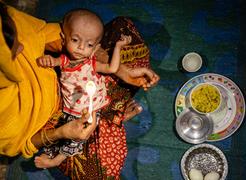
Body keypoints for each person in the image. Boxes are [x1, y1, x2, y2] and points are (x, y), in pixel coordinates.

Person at [0, 2, 159, 179]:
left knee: (123, 29)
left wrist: (124, 71)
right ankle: (111, 117)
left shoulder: (4, 18)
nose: (21, 47)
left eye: (14, 34)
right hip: (61, 120)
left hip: (95, 97)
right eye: (12, 48)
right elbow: (24, 144)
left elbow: (47, 34)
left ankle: (113, 114)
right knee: (99, 172)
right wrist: (62, 132)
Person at [33, 9, 132, 168]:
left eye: (89, 44)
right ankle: (55, 157)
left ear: (95, 48)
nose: (81, 47)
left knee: (80, 137)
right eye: (75, 40)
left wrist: (118, 47)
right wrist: (48, 60)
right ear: (63, 39)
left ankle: (56, 160)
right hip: (75, 112)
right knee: (69, 135)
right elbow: (54, 61)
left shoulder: (92, 62)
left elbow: (112, 68)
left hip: (97, 106)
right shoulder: (64, 61)